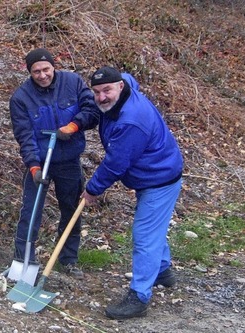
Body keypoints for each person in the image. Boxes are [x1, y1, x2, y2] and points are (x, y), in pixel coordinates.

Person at [82, 66, 183, 319]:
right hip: (151, 172)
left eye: (107, 90)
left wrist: (92, 190)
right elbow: (128, 77)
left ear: (120, 87)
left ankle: (139, 297)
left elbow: (116, 163)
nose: (102, 97)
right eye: (96, 92)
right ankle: (162, 271)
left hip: (159, 178)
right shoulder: (125, 85)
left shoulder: (131, 121)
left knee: (144, 234)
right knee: (152, 228)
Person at [9, 48, 100, 279]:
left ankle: (68, 259)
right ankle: (23, 260)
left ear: (53, 66)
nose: (42, 75)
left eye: (46, 69)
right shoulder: (21, 98)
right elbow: (24, 136)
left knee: (71, 209)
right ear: (29, 72)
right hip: (40, 162)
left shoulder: (73, 82)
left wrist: (74, 125)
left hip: (69, 160)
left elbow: (92, 110)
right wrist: (33, 166)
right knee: (31, 211)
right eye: (36, 71)